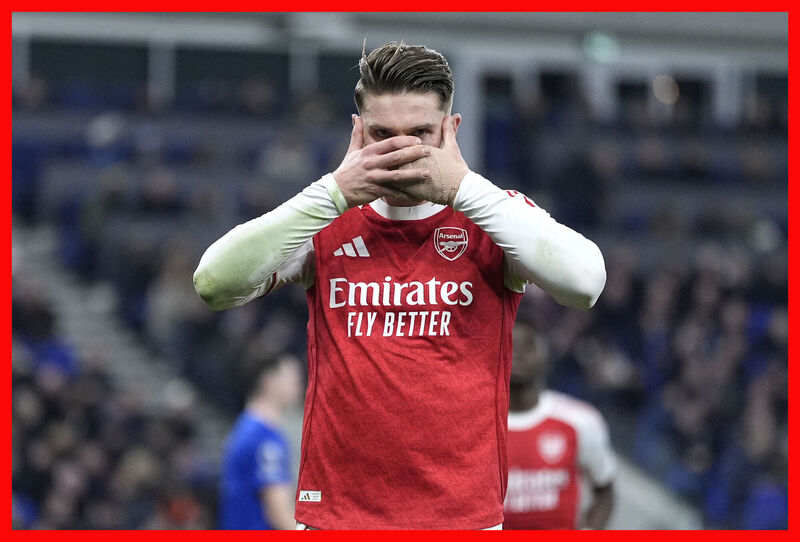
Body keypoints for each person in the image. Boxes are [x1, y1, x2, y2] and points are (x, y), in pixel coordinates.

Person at [194, 41, 606, 529]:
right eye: (382, 133)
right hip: (336, 521)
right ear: (357, 131)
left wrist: (462, 188)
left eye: (421, 134)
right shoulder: (325, 219)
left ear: (451, 131)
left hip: (462, 522)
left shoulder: (493, 219)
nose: (400, 151)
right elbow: (213, 283)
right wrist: (332, 192)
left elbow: (586, 283)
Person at [504, 321, 616, 530]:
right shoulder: (474, 423)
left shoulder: (579, 420)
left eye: (528, 346)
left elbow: (605, 492)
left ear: (545, 355)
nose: (518, 353)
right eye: (511, 343)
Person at [218, 354, 302, 530]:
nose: (299, 385)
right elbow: (279, 514)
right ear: (269, 381)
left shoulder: (245, 428)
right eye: (291, 378)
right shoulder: (265, 440)